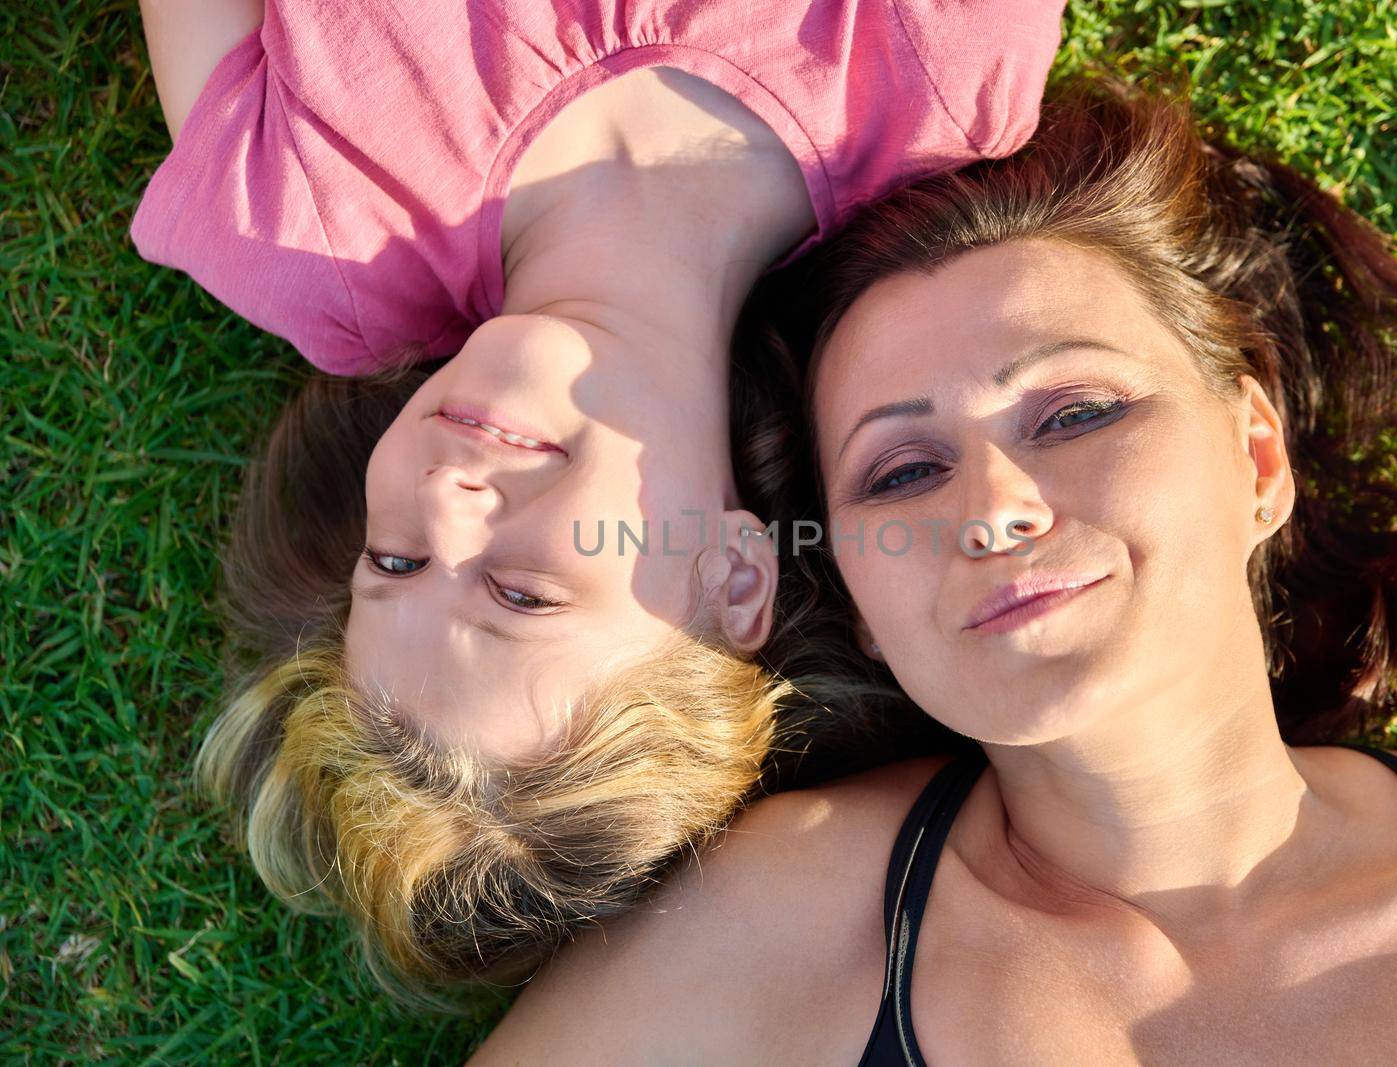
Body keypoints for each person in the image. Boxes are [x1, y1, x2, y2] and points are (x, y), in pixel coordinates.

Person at [469, 76, 1397, 1063]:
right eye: (903, 471)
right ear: (860, 602)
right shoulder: (783, 916)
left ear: (1256, 455)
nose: (996, 507)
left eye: (1075, 411)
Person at [132, 0, 1063, 1004]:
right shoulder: (937, 72)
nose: (443, 499)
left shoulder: (300, 226)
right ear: (733, 574)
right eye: (521, 592)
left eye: (393, 563)